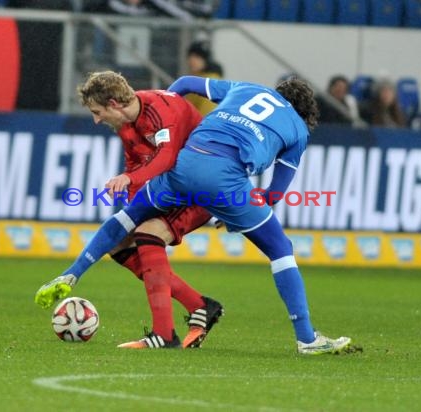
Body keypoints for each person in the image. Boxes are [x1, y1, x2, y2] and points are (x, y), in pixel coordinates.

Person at [36, 74, 352, 355]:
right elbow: (274, 193)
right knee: (280, 249)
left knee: (125, 221)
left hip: (183, 166)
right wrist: (234, 212)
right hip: (225, 179)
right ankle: (307, 338)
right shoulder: (297, 129)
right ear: (304, 112)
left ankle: (73, 274)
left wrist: (168, 105)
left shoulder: (245, 88)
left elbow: (186, 83)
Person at [35, 71, 223, 349]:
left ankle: (164, 334)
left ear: (114, 104)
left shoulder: (161, 110)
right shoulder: (126, 127)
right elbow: (137, 170)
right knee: (120, 242)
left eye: (97, 112)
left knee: (148, 235)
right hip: (174, 186)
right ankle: (199, 305)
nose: (96, 120)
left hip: (204, 187)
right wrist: (132, 207)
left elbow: (166, 157)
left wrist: (130, 181)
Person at [184, 40, 224, 116]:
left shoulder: (210, 82)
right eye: (190, 56)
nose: (192, 60)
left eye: (197, 57)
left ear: (206, 60)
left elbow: (206, 113)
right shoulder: (195, 79)